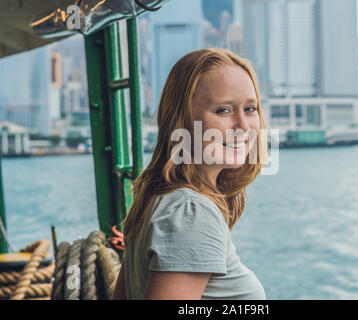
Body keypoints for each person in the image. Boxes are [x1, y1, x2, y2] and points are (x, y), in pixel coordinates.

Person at [112, 48, 267, 300]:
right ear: (182, 120)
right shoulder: (191, 212)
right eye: (223, 110)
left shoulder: (161, 197)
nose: (243, 125)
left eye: (250, 108)